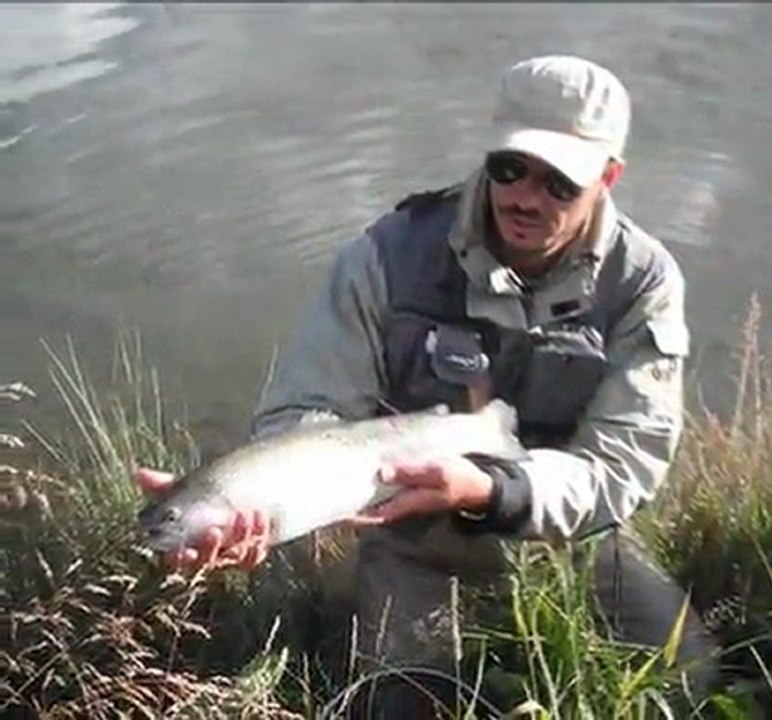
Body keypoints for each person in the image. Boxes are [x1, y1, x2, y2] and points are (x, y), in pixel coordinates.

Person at [137, 54, 718, 715]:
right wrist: (260, 509)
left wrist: (494, 491)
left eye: (559, 182)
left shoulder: (644, 282)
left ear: (608, 177)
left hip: (567, 533)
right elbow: (305, 408)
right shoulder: (386, 254)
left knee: (688, 683)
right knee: (405, 707)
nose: (526, 197)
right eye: (509, 168)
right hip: (415, 542)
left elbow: (620, 466)